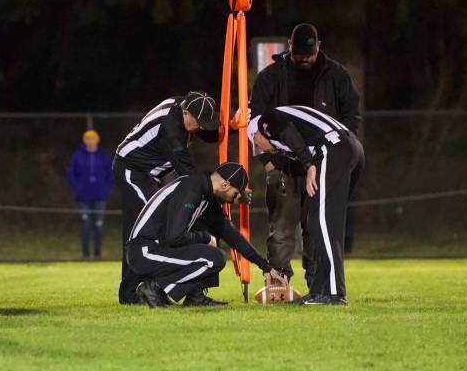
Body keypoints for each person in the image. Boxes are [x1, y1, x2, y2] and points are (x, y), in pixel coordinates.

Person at [249, 23, 362, 292]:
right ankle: (278, 285)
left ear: (319, 47)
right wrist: (269, 163)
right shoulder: (270, 77)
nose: (304, 60)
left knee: (318, 227)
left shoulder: (337, 75)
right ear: (289, 46)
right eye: (299, 55)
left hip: (324, 163)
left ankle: (319, 285)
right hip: (285, 166)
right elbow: (255, 125)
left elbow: (351, 118)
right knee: (281, 229)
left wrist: (335, 159)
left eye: (309, 56)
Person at [126, 162, 287, 307]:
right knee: (213, 258)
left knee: (212, 248)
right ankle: (154, 287)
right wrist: (204, 237)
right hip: (144, 251)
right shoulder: (191, 188)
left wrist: (265, 267)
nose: (235, 200)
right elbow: (174, 236)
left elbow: (231, 234)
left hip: (155, 247)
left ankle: (195, 296)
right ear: (225, 185)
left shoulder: (205, 192)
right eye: (236, 194)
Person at [248, 105, 364, 305]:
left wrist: (309, 165)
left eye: (258, 146)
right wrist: (305, 163)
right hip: (348, 147)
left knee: (322, 223)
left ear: (257, 135)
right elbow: (293, 159)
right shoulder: (285, 137)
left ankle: (335, 293)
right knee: (319, 222)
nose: (262, 151)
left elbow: (289, 133)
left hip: (333, 147)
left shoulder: (265, 121)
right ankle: (319, 290)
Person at [113, 91, 221, 304]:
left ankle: (193, 293)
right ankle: (134, 292)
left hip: (152, 175)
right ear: (186, 113)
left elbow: (208, 133)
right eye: (198, 122)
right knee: (150, 231)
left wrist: (234, 127)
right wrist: (212, 191)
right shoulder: (170, 129)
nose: (200, 128)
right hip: (133, 170)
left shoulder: (183, 110)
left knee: (173, 226)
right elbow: (187, 172)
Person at [67, 129, 113, 258]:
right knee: (85, 225)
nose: (90, 141)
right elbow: (70, 173)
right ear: (84, 140)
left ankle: (97, 253)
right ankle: (86, 254)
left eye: (93, 138)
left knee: (99, 225)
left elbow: (110, 175)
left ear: (97, 140)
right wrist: (78, 188)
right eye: (87, 138)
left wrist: (105, 189)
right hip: (83, 198)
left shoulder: (104, 156)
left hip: (100, 197)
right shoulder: (77, 156)